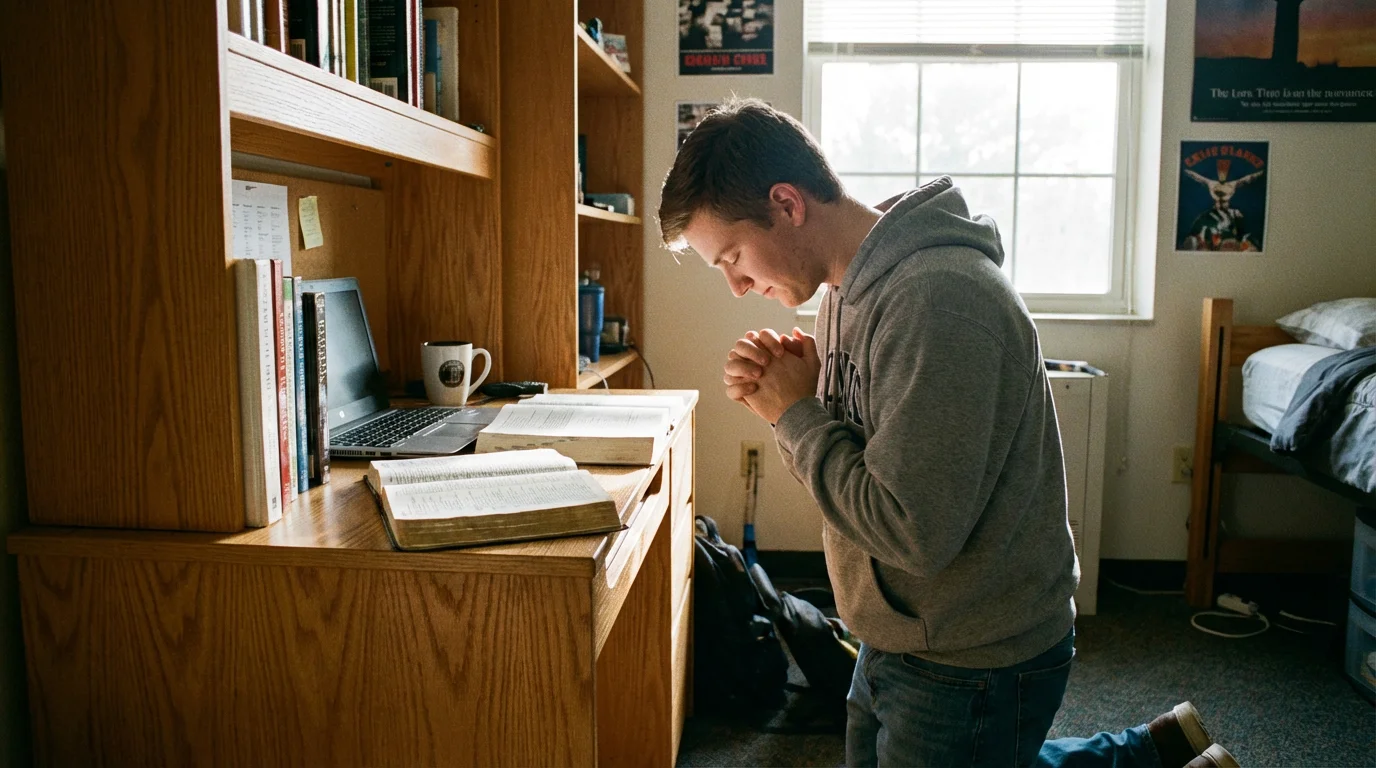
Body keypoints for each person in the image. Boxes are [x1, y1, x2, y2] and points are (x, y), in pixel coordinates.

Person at [657, 97, 1240, 768]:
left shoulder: (939, 301)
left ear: (787, 204)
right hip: (901, 627)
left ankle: (1141, 759)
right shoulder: (848, 293)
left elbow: (912, 532)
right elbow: (863, 478)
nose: (735, 286)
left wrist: (794, 414)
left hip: (971, 649)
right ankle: (1148, 753)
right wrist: (809, 396)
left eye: (731, 256)